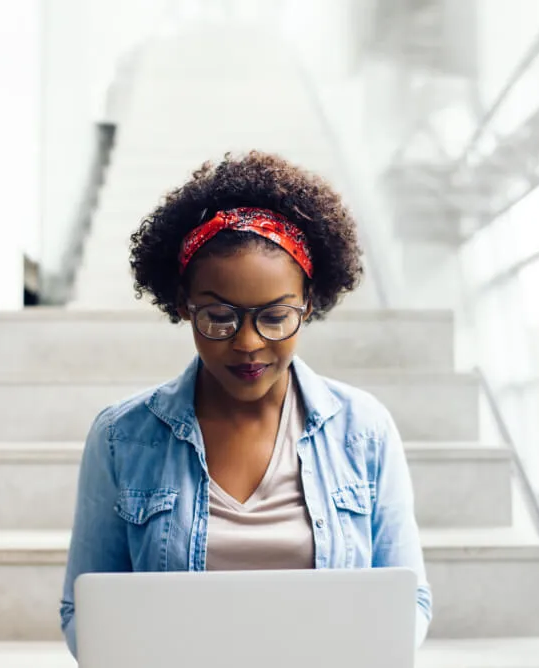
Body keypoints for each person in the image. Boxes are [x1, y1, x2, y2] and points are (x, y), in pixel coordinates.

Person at [56, 151, 432, 655]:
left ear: (309, 305)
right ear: (184, 305)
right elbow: (84, 611)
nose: (248, 343)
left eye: (275, 317)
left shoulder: (363, 429)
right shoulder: (122, 437)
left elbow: (411, 600)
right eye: (218, 316)